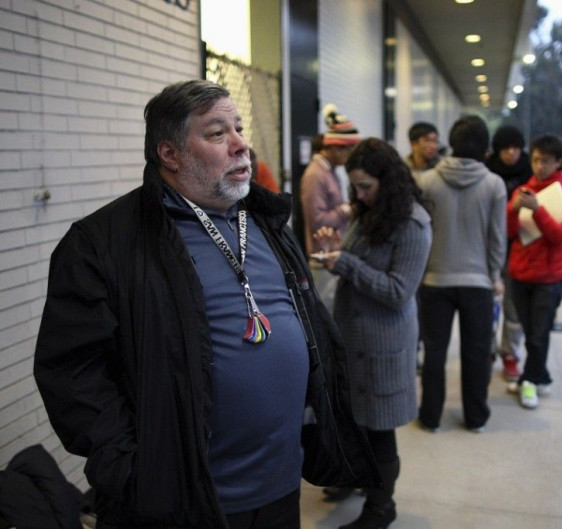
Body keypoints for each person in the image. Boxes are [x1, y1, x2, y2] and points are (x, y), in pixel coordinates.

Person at [33, 80, 378, 528]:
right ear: (170, 154)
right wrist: (129, 467)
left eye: (238, 128)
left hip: (279, 488)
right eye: (218, 134)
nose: (241, 145)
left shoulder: (268, 225)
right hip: (177, 502)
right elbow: (71, 370)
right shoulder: (103, 243)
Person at [315, 138, 432, 529]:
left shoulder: (413, 222)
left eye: (366, 186)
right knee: (355, 421)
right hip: (353, 337)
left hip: (384, 342)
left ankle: (382, 508)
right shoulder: (369, 213)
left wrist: (346, 264)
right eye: (355, 187)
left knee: (379, 429)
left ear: (389, 180)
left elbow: (400, 292)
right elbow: (352, 258)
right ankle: (354, 478)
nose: (360, 195)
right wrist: (335, 250)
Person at [416, 115, 507, 433]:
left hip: (434, 281)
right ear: (486, 148)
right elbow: (497, 238)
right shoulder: (494, 184)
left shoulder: (427, 181)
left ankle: (430, 417)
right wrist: (495, 274)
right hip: (478, 282)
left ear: (450, 143)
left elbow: (419, 233)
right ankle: (476, 417)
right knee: (477, 353)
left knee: (434, 353)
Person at [506, 134, 562, 409]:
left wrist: (537, 211)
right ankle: (542, 375)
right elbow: (509, 232)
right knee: (530, 332)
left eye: (546, 161)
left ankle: (530, 381)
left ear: (559, 162)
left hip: (549, 277)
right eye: (536, 160)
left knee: (538, 335)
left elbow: (560, 236)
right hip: (519, 272)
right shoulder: (523, 191)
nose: (539, 167)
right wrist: (513, 209)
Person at [485, 125, 533, 381]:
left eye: (515, 148)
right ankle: (489, 349)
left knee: (513, 306)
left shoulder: (529, 171)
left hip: (520, 245)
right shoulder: (486, 170)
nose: (511, 153)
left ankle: (510, 354)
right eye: (505, 148)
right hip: (489, 247)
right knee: (490, 301)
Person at [301, 104, 361, 306]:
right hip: (322, 258)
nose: (350, 155)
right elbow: (317, 222)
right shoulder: (316, 174)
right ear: (335, 147)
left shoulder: (330, 171)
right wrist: (347, 209)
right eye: (349, 149)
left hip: (333, 254)